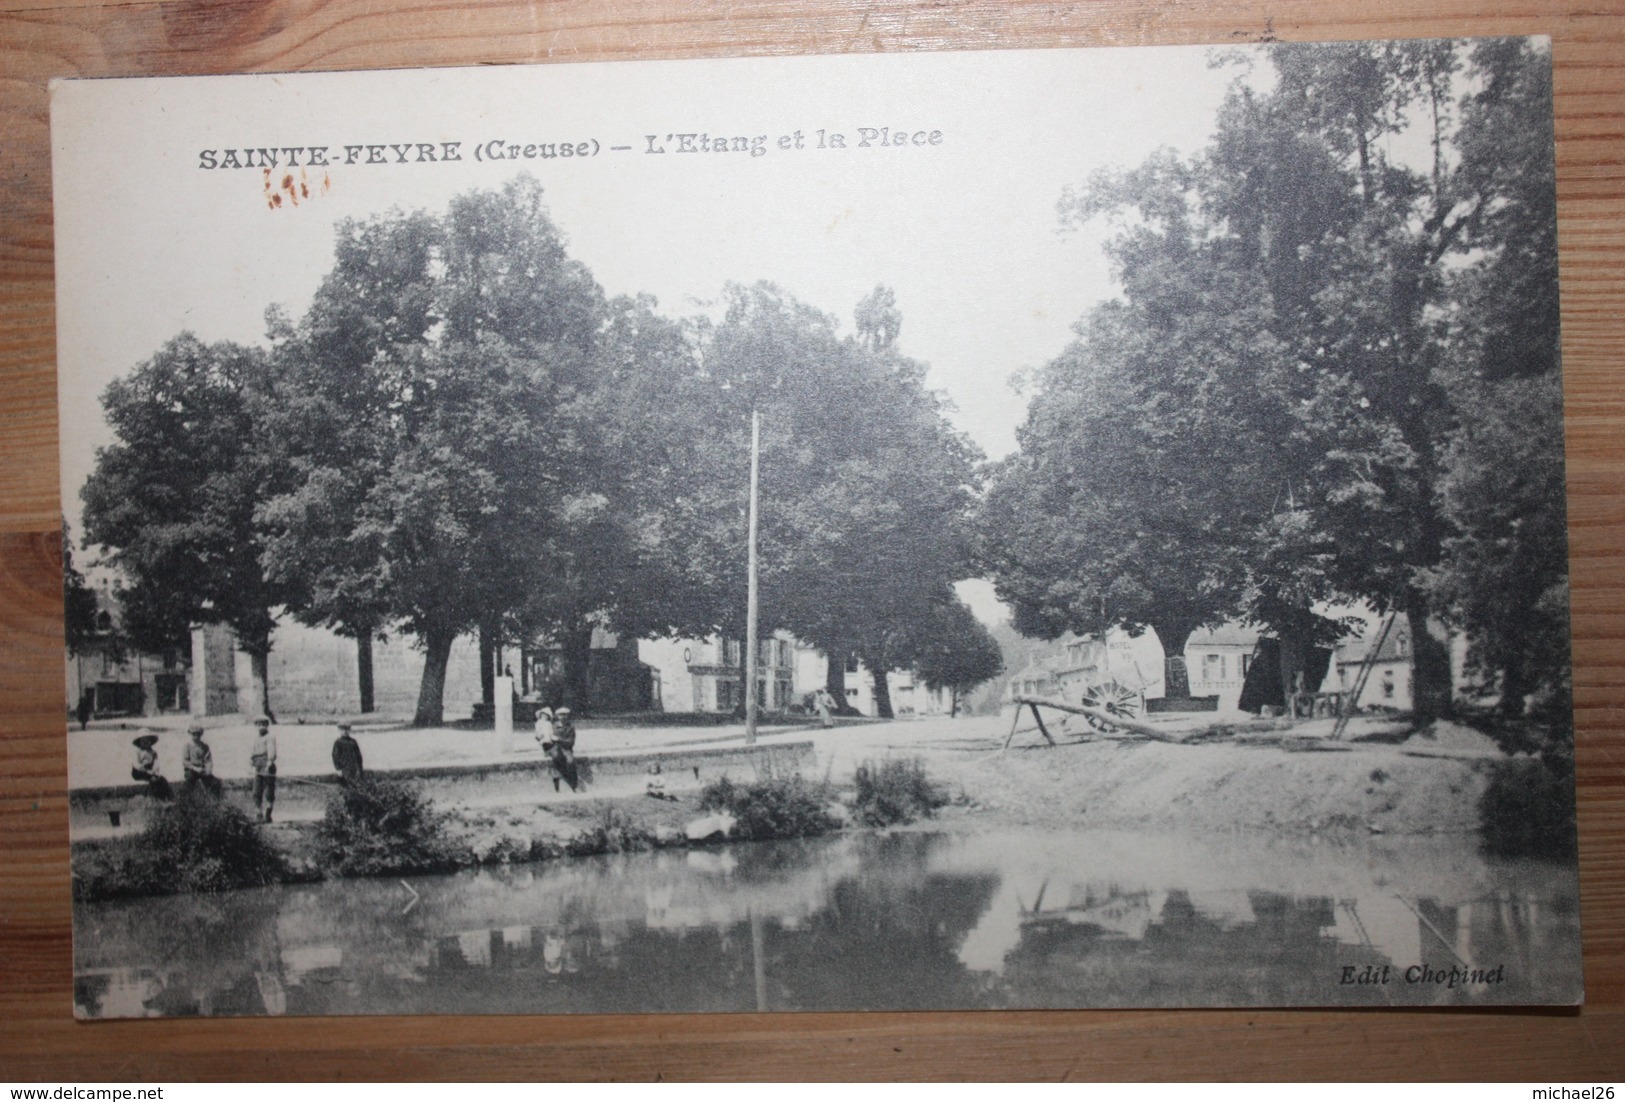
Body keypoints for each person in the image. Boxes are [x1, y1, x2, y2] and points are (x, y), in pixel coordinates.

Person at [545, 706, 579, 793]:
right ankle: (558, 779)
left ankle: (574, 784)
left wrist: (559, 739)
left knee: (570, 761)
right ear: (557, 716)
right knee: (556, 757)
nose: (563, 717)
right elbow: (549, 738)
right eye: (561, 715)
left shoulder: (571, 728)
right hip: (555, 748)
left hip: (566, 748)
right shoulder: (553, 727)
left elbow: (571, 742)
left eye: (565, 715)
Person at [181, 724, 221, 798]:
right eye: (194, 734)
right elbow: (185, 761)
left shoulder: (204, 746)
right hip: (191, 770)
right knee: (189, 783)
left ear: (201, 735)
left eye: (198, 734)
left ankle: (215, 800)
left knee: (215, 783)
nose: (196, 736)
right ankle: (187, 801)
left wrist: (208, 770)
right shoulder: (187, 746)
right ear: (190, 734)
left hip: (202, 770)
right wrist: (195, 768)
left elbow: (208, 760)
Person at [250, 716, 277, 823]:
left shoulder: (270, 737)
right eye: (259, 725)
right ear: (256, 726)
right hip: (258, 766)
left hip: (267, 766)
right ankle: (258, 813)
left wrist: (269, 764)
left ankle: (268, 813)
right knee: (256, 791)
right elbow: (253, 752)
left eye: (263, 725)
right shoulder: (257, 738)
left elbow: (271, 752)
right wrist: (251, 764)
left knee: (269, 791)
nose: (261, 727)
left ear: (267, 725)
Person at [130, 734, 172, 801]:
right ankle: (155, 797)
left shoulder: (153, 752)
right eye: (143, 740)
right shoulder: (137, 752)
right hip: (138, 771)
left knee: (162, 779)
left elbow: (156, 763)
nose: (145, 742)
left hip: (150, 770)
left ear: (151, 741)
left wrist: (155, 770)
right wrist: (146, 771)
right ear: (139, 742)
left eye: (148, 740)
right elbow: (135, 764)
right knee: (152, 779)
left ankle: (167, 797)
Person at [331, 721, 364, 786]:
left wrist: (360, 768)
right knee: (345, 786)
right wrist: (338, 769)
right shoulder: (338, 742)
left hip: (354, 768)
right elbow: (335, 756)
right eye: (342, 730)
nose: (345, 732)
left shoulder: (353, 742)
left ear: (349, 730)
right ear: (339, 730)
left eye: (347, 729)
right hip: (344, 768)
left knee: (356, 785)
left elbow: (358, 756)